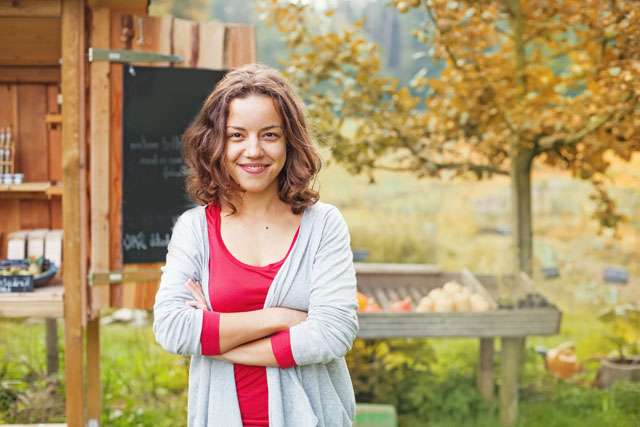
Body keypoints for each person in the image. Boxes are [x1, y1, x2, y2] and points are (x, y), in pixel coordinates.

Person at [153, 63, 359, 427]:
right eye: (236, 135)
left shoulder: (323, 226)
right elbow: (172, 328)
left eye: (269, 135)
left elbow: (332, 334)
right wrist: (280, 318)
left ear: (289, 140)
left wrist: (218, 340)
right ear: (216, 141)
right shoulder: (195, 230)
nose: (253, 150)